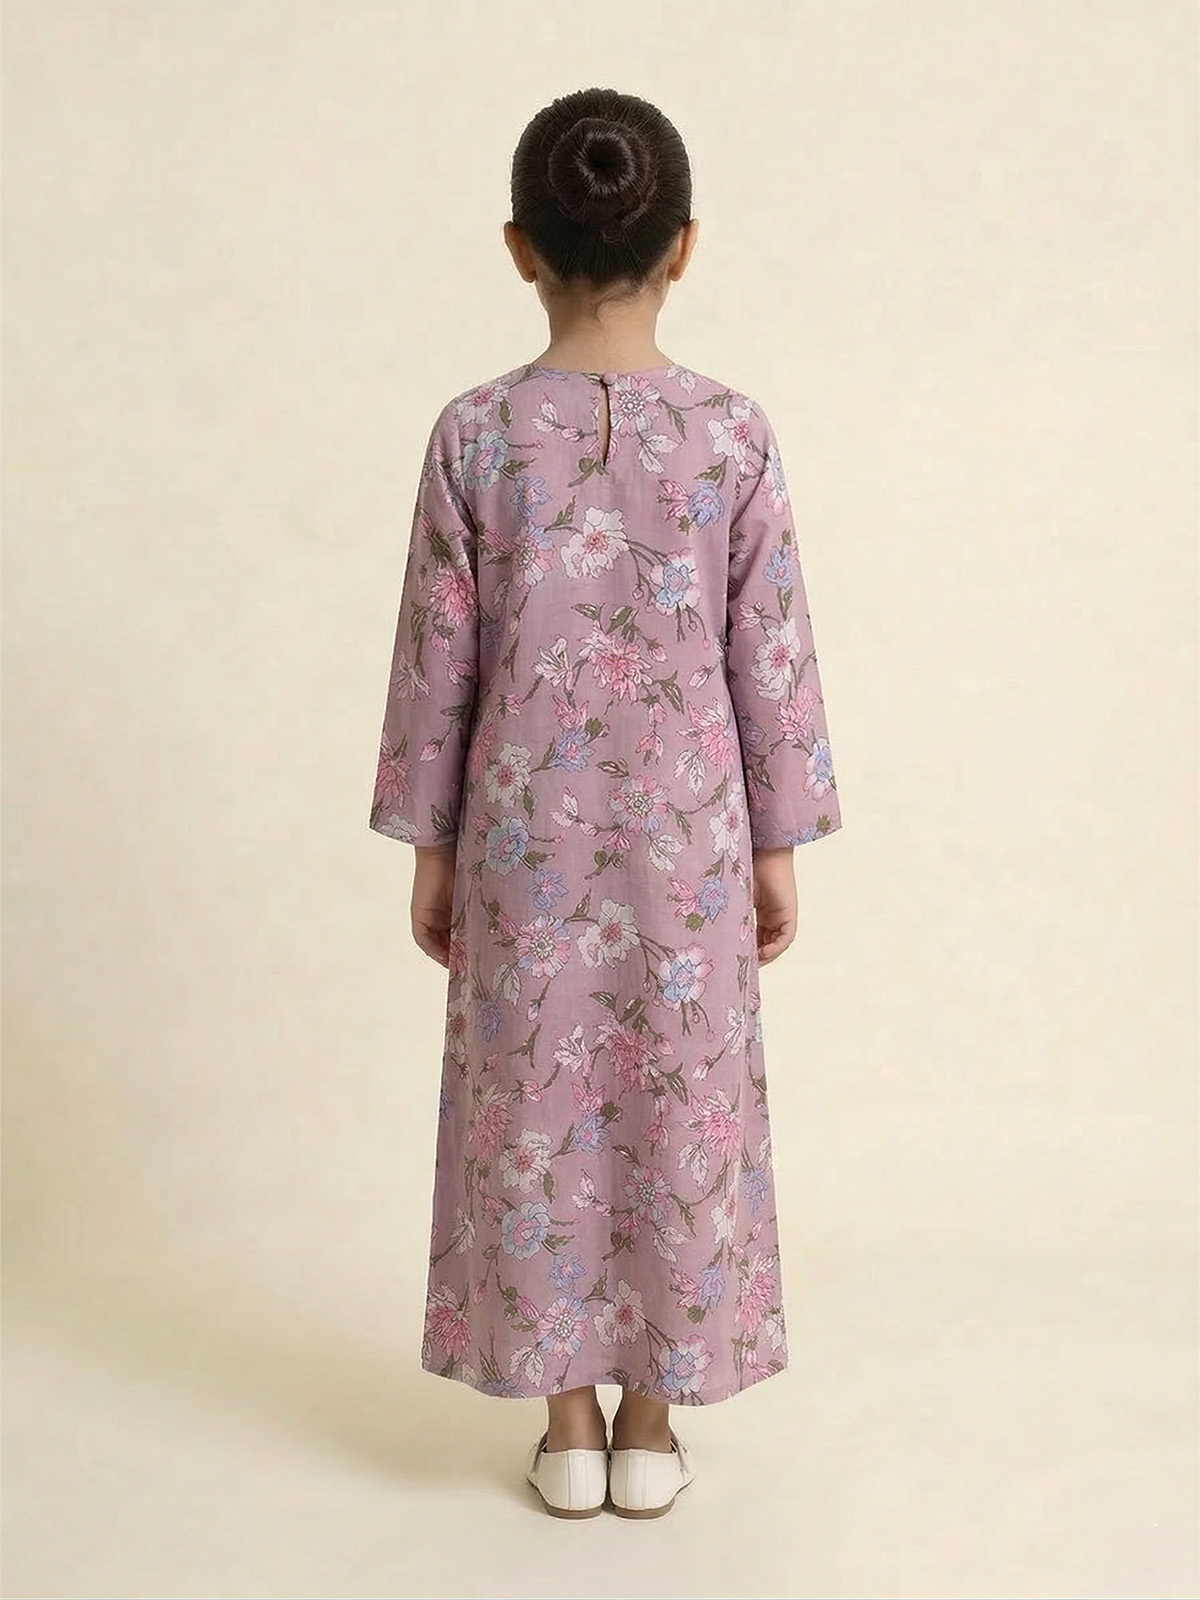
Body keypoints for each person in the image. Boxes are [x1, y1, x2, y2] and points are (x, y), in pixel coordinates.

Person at [368, 86, 843, 1519]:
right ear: (683, 245)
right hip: (689, 842)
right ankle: (650, 1420)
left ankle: (566, 1421)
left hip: (522, 843)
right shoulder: (732, 435)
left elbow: (437, 659)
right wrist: (775, 846)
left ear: (521, 246)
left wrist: (432, 848)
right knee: (677, 1097)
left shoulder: (475, 434)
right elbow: (770, 652)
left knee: (537, 1100)